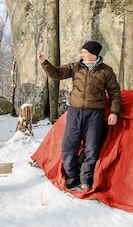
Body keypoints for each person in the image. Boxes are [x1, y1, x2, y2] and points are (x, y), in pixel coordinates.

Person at [37, 41, 121, 191]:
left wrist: (114, 112)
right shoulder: (75, 67)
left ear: (94, 53)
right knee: (68, 145)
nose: (82, 54)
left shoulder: (106, 71)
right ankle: (72, 175)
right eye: (82, 52)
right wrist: (44, 62)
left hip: (95, 114)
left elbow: (115, 93)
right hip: (75, 112)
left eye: (85, 52)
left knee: (92, 148)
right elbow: (56, 73)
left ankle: (85, 179)